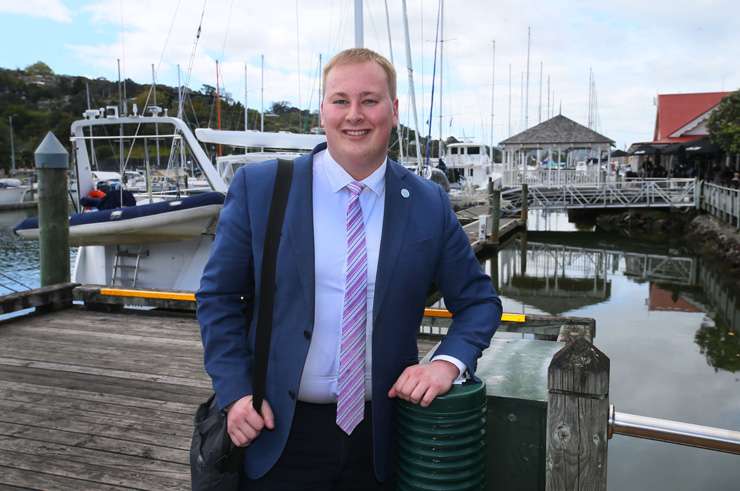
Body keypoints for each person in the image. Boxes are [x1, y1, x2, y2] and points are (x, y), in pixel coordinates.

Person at [196, 48, 502, 490]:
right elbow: (218, 298)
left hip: (380, 438)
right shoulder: (262, 188)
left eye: (369, 100)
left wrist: (446, 365)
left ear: (393, 111)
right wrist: (235, 392)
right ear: (322, 110)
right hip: (274, 429)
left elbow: (478, 303)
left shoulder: (428, 204)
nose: (354, 115)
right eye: (340, 100)